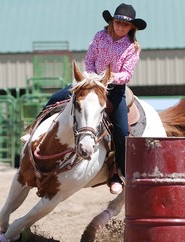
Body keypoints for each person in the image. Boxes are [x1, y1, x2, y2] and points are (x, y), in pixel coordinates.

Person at [38, 3, 146, 194]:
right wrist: (92, 77)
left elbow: (127, 74)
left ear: (131, 28)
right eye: (118, 22)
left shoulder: (132, 47)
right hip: (91, 82)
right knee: (57, 97)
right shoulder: (99, 36)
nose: (120, 27)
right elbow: (89, 59)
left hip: (114, 89)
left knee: (122, 131)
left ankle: (120, 172)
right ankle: (36, 130)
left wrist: (108, 79)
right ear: (112, 22)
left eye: (125, 25)